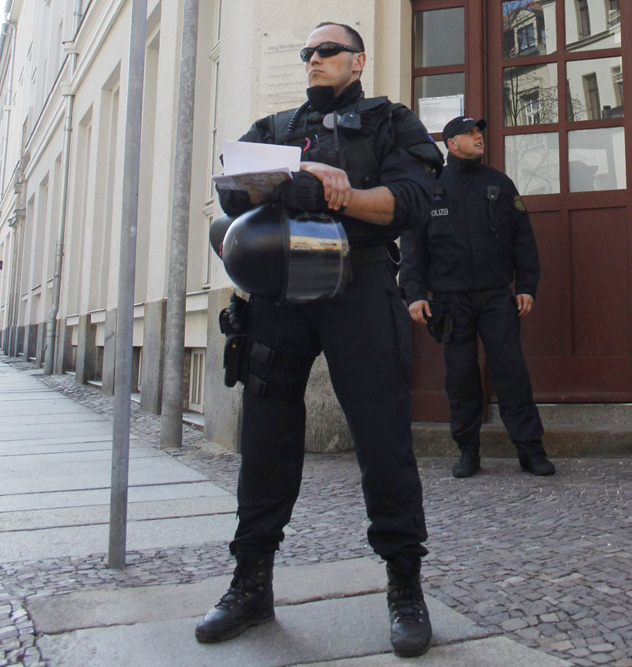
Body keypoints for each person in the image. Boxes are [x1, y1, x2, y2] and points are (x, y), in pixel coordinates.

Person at [195, 22, 442, 658]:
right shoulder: (276, 128)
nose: (314, 59)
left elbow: (413, 201)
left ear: (358, 61)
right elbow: (228, 187)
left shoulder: (391, 122)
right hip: (280, 291)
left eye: (327, 50)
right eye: (307, 52)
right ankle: (251, 583)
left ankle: (405, 587)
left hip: (359, 285)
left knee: (382, 436)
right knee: (266, 438)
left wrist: (345, 193)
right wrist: (284, 180)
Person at [400, 116, 556, 479]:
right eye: (469, 134)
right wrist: (413, 294)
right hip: (450, 302)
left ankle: (530, 450)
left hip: (495, 297)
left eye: (479, 133)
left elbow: (523, 239)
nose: (478, 138)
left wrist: (526, 286)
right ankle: (468, 450)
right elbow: (413, 247)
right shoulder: (431, 187)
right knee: (461, 377)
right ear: (451, 144)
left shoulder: (499, 184)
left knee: (512, 372)